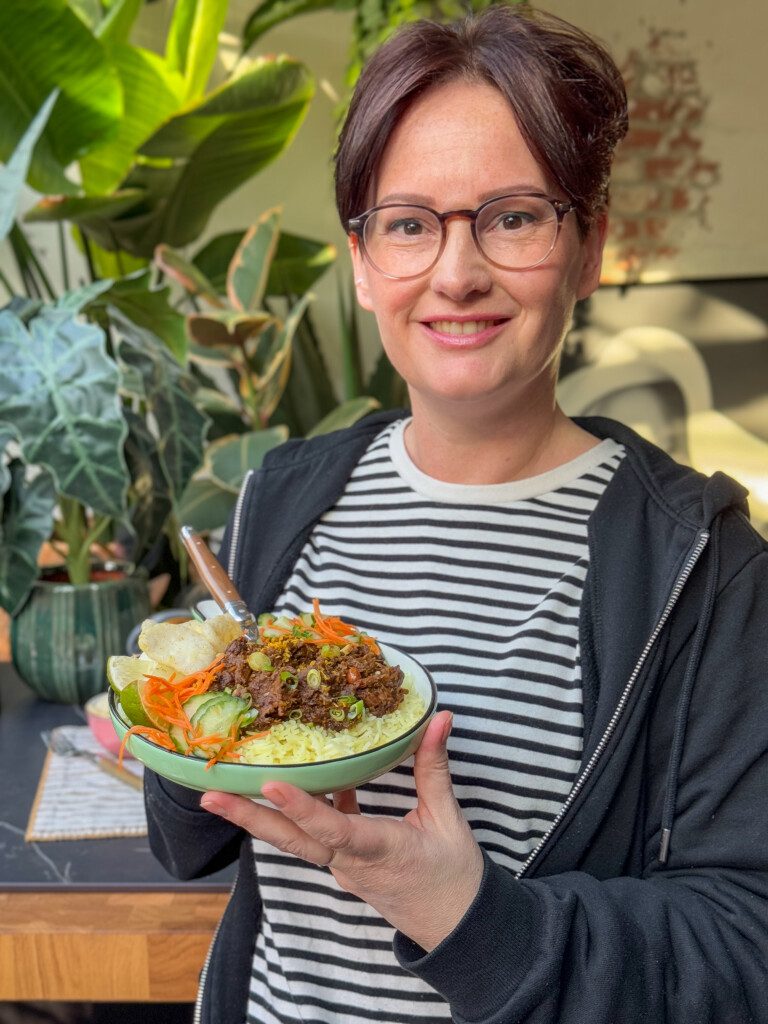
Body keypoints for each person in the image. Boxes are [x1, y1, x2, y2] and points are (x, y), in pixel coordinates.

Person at [144, 7, 768, 1024]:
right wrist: (184, 708)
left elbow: (746, 948)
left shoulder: (702, 565)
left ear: (589, 245)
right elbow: (190, 842)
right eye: (407, 222)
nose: (455, 271)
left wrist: (461, 909)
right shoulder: (283, 498)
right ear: (360, 260)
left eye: (514, 215)